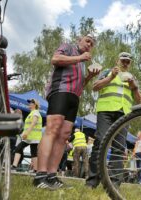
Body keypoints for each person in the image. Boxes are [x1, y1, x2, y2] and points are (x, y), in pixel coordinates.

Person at [34, 34, 99, 189]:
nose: (89, 44)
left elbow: (81, 85)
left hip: (74, 97)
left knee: (63, 136)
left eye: (92, 44)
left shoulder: (83, 62)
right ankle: (40, 176)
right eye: (87, 41)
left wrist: (90, 75)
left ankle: (52, 175)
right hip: (60, 91)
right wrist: (80, 57)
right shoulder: (68, 48)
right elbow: (55, 59)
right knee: (53, 129)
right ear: (80, 41)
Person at [86, 52, 141, 188]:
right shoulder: (107, 72)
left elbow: (139, 100)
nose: (125, 63)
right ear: (117, 61)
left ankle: (114, 184)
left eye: (127, 61)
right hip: (106, 111)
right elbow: (95, 87)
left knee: (119, 147)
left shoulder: (132, 78)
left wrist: (134, 86)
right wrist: (111, 76)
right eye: (123, 60)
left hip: (124, 113)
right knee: (100, 142)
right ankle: (92, 181)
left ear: (130, 64)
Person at [11, 99, 42, 172]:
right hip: (29, 137)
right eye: (29, 103)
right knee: (31, 152)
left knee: (21, 149)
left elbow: (33, 123)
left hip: (32, 137)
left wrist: (26, 133)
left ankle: (14, 167)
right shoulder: (32, 113)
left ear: (35, 105)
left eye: (31, 103)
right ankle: (35, 170)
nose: (29, 104)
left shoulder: (35, 112)